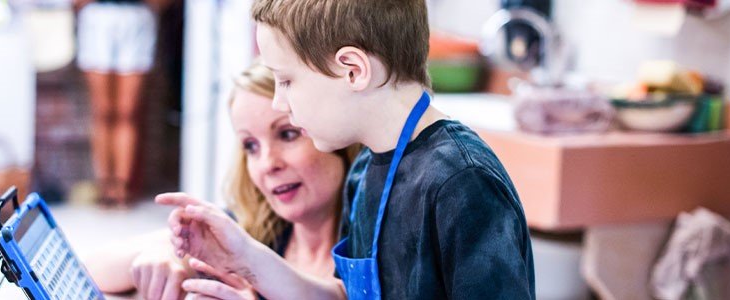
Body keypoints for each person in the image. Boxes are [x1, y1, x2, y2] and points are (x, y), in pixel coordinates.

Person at [157, 0, 536, 299]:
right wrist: (246, 257)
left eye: (286, 80)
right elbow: (343, 296)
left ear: (352, 70)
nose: (279, 102)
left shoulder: (462, 182)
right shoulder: (365, 170)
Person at [85, 62, 357, 299]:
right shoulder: (250, 230)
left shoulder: (369, 255)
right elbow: (89, 268)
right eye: (250, 146)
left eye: (287, 134)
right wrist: (167, 256)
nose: (268, 164)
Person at [74, 0, 158, 205]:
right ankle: (104, 186)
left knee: (127, 112)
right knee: (103, 111)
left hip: (136, 15)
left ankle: (122, 186)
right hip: (98, 16)